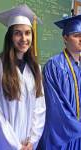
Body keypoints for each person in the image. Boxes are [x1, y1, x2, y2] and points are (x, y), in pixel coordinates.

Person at [0, 4, 46, 150]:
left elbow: (40, 108)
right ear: (10, 37)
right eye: (18, 33)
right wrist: (16, 146)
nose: (24, 38)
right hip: (5, 144)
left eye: (27, 33)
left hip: (29, 144)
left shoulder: (35, 68)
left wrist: (32, 141)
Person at [37, 14, 81, 150]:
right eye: (76, 35)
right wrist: (77, 127)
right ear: (65, 38)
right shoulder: (54, 66)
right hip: (61, 136)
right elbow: (55, 107)